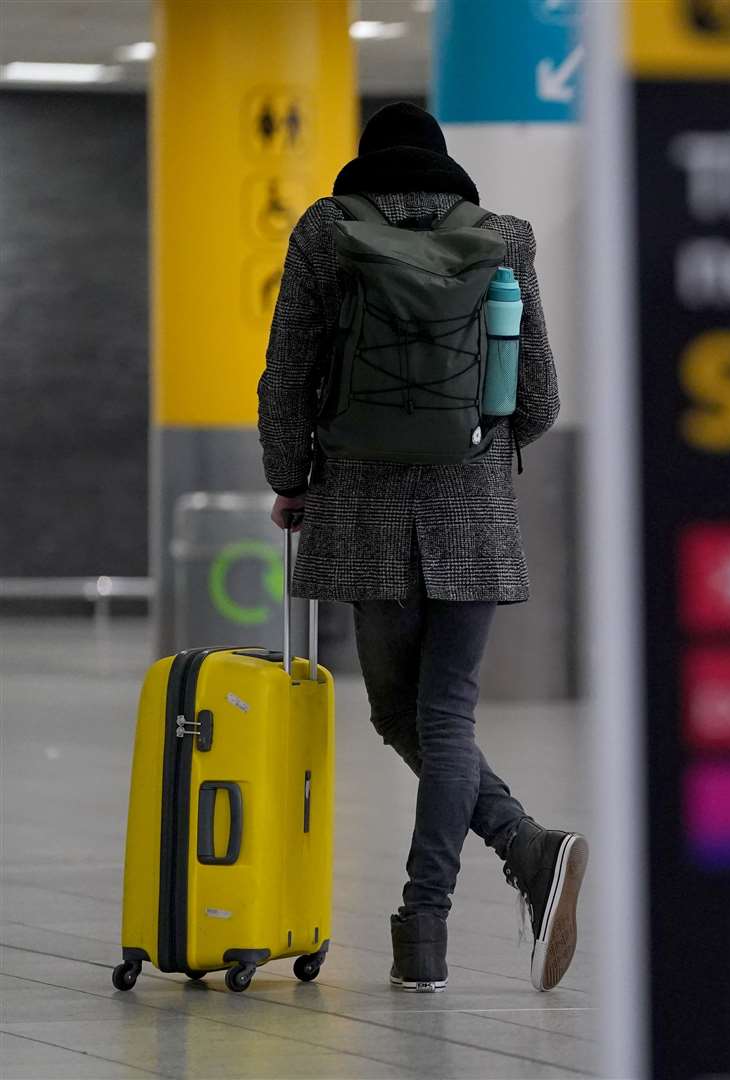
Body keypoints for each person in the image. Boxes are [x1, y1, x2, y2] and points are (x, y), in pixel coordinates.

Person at [256, 103, 586, 994]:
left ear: (365, 162)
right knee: (443, 717)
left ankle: (480, 883)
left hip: (361, 507)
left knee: (401, 715)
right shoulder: (504, 238)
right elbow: (542, 398)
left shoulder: (326, 234)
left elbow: (287, 371)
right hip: (472, 508)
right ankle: (490, 876)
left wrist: (290, 477)